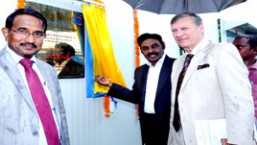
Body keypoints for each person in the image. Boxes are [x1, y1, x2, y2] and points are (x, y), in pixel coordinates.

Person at [0, 7, 70, 145]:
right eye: (22, 31)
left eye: (38, 34)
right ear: (6, 32)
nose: (30, 39)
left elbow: (60, 118)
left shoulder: (49, 71)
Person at [168, 12, 255, 145]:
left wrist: (238, 141)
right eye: (174, 30)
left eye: (184, 28)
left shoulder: (222, 52)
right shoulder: (178, 63)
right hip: (181, 138)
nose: (179, 34)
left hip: (215, 138)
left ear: (201, 28)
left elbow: (239, 101)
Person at [95, 33, 175, 145]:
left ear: (163, 45)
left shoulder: (177, 65)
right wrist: (110, 85)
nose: (150, 51)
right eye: (145, 48)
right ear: (141, 51)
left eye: (154, 46)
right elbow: (135, 97)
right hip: (148, 125)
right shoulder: (140, 71)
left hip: (172, 126)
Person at [233, 35, 257, 120]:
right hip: (236, 122)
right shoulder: (230, 71)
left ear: (254, 50)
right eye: (232, 48)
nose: (234, 51)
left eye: (239, 47)